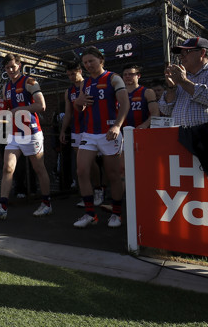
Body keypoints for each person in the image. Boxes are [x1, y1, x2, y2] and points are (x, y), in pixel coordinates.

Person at [0, 54, 52, 220]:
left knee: (39, 169)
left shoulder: (30, 82)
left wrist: (20, 110)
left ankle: (46, 203)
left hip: (31, 132)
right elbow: (6, 109)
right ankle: (2, 206)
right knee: (7, 168)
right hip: (14, 133)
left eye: (13, 67)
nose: (10, 70)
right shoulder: (6, 87)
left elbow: (41, 105)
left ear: (20, 65)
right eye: (8, 68)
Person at [73, 46, 129, 228]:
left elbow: (125, 103)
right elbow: (79, 107)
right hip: (89, 133)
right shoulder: (85, 83)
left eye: (91, 61)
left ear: (101, 60)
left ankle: (117, 214)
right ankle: (90, 214)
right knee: (81, 170)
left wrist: (117, 125)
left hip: (109, 133)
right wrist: (78, 102)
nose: (88, 65)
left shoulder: (113, 78)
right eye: (85, 63)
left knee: (113, 174)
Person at [59, 61, 104, 207]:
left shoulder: (90, 84)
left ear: (80, 71)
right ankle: (87, 195)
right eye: (68, 74)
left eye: (73, 73)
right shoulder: (69, 91)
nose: (71, 77)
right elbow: (68, 113)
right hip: (76, 130)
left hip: (91, 128)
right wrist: (63, 130)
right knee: (81, 164)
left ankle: (98, 190)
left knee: (91, 163)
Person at [159, 37, 208, 126]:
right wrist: (171, 87)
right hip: (182, 136)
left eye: (186, 52)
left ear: (202, 52)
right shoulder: (181, 76)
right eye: (180, 54)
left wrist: (183, 81)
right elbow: (165, 110)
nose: (181, 57)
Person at [122, 65, 159, 129]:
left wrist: (145, 125)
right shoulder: (119, 93)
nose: (127, 76)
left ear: (138, 76)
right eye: (125, 74)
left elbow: (155, 113)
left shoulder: (147, 92)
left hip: (142, 130)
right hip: (122, 132)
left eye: (131, 74)